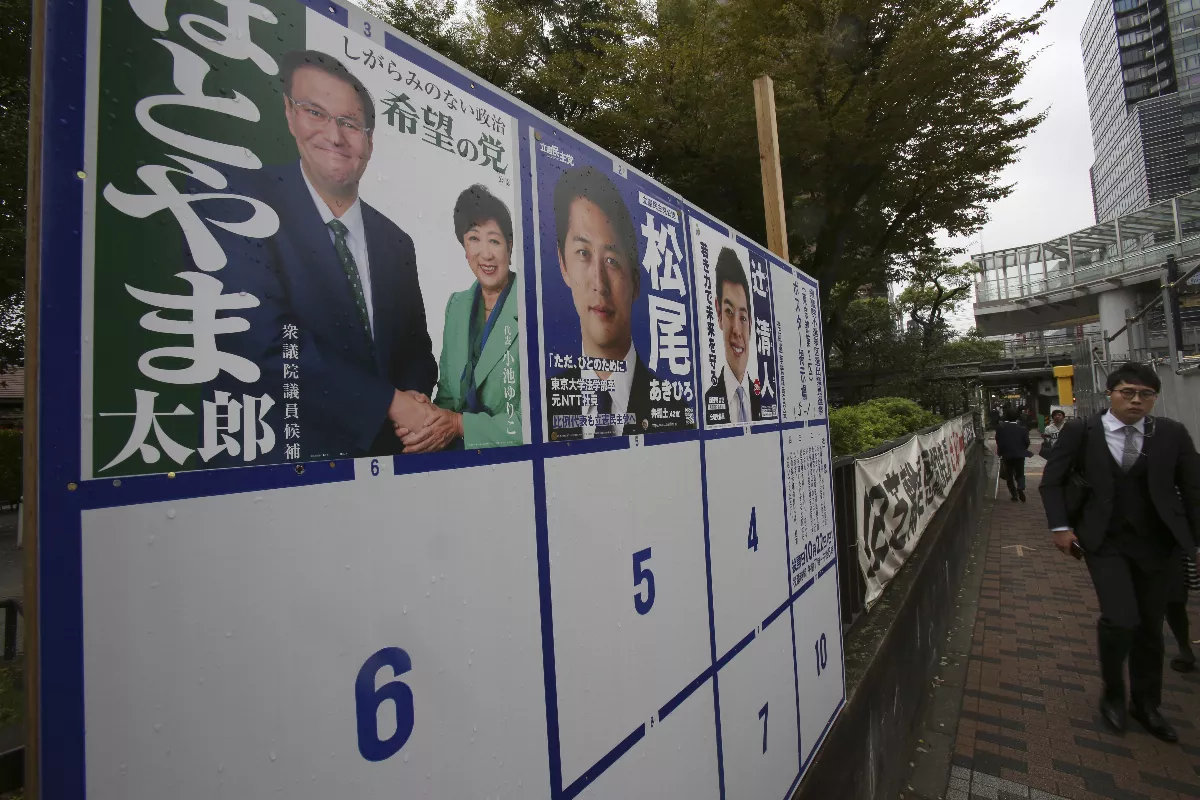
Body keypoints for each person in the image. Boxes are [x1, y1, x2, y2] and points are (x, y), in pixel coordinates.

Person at [196, 50, 437, 460]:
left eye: (350, 123)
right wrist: (391, 404)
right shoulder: (237, 202)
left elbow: (416, 351)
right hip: (276, 466)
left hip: (390, 462)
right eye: (316, 113)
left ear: (370, 141)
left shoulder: (396, 242)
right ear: (289, 113)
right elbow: (256, 340)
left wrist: (415, 408)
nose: (335, 136)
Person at [1041, 362, 1200, 742]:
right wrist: (1060, 527)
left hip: (1158, 543)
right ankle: (1113, 693)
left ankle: (1146, 704)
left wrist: (1195, 541)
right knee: (1119, 617)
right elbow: (1052, 481)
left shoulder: (1172, 434)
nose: (1136, 400)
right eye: (1127, 392)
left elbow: (1193, 490)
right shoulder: (1082, 430)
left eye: (1145, 394)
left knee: (1149, 624)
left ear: (1153, 399)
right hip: (1104, 540)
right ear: (1110, 394)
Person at [544, 166, 690, 439]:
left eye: (612, 261)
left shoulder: (675, 409)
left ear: (635, 282)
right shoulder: (541, 403)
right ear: (563, 264)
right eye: (583, 253)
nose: (599, 282)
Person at [400, 185, 521, 451]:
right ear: (464, 247)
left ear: (510, 246)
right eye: (474, 239)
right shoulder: (457, 306)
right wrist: (426, 418)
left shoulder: (532, 305)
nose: (485, 254)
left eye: (495, 240)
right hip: (457, 463)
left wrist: (458, 424)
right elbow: (447, 395)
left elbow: (541, 422)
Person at [703, 247, 762, 425]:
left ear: (751, 323)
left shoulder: (763, 400)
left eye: (743, 317)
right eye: (728, 311)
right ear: (719, 314)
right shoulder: (705, 404)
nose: (737, 329)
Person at [995, 406, 1030, 501]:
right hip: (1020, 454)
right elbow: (1027, 442)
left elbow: (998, 441)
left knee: (1009, 475)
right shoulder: (1023, 429)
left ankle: (1014, 495)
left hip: (1007, 454)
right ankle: (1021, 486)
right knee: (1020, 473)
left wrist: (1001, 452)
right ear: (1017, 418)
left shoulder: (1000, 428)